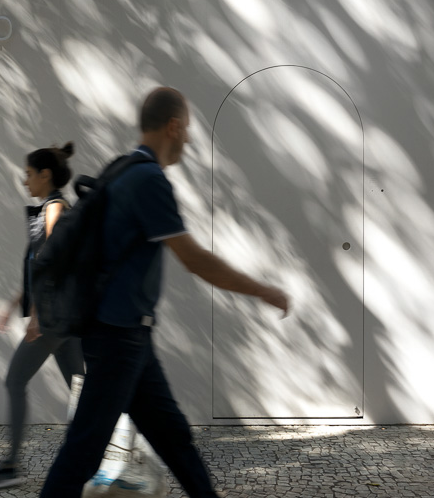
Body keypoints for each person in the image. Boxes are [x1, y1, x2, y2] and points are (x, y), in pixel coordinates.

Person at [39, 88, 289, 498]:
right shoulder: (148, 179)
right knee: (83, 452)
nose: (187, 139)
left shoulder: (122, 169)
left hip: (128, 335)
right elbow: (196, 260)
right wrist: (261, 289)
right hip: (118, 336)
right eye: (186, 129)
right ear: (173, 127)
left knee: (173, 437)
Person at [0, 142, 85, 490]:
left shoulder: (54, 209)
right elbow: (37, 268)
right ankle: (100, 460)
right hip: (65, 318)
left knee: (15, 381)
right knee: (82, 390)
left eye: (28, 174)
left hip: (52, 318)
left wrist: (36, 315)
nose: (25, 181)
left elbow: (49, 266)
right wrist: (12, 305)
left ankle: (11, 466)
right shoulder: (51, 209)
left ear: (45, 175)